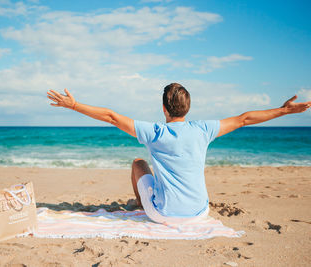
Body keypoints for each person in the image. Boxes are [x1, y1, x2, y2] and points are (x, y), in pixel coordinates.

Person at [47, 83, 311, 223]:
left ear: (164, 109)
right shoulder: (203, 130)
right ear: (188, 108)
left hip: (163, 214)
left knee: (139, 162)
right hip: (200, 212)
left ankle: (143, 205)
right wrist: (284, 110)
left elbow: (111, 117)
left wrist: (74, 105)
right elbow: (245, 119)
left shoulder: (155, 132)